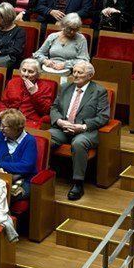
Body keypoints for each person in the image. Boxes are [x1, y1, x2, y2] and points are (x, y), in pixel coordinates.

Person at [47, 61, 108, 200]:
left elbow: (103, 117)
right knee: (45, 138)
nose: (75, 75)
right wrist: (59, 121)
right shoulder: (65, 87)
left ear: (90, 75)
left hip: (84, 131)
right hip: (62, 128)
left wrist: (82, 126)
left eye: (79, 72)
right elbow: (54, 108)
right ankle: (40, 175)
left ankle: (78, 183)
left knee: (79, 143)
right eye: (74, 71)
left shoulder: (99, 91)